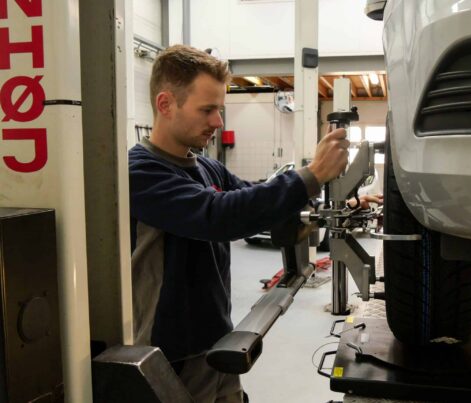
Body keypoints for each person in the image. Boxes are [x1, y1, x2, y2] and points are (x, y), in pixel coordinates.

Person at [128, 44, 364, 402]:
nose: (218, 122)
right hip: (172, 353)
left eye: (219, 110)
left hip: (217, 340)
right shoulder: (141, 172)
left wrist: (330, 202)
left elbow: (254, 199)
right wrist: (312, 174)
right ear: (165, 104)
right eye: (207, 110)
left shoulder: (207, 166)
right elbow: (219, 216)